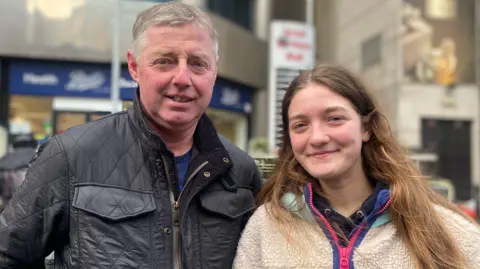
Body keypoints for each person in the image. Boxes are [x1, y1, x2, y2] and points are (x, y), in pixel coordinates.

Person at [0, 2, 262, 269]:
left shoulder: (240, 171)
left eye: (197, 63)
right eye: (164, 61)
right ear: (135, 67)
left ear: (214, 70)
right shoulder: (69, 156)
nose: (182, 77)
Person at [233, 65, 480, 269]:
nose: (317, 137)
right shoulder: (265, 226)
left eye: (334, 119)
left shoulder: (446, 230)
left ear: (366, 128)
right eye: (300, 125)